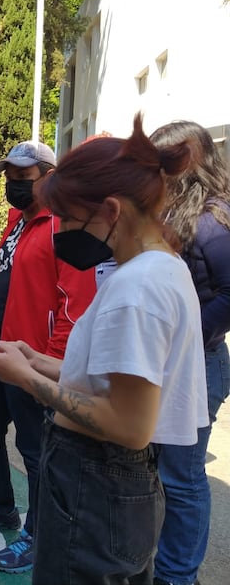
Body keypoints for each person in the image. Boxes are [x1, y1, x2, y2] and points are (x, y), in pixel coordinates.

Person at [0, 115, 207, 584]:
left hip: (96, 481)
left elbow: (128, 424)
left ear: (110, 210)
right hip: (109, 485)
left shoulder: (137, 288)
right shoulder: (156, 269)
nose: (60, 229)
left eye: (66, 217)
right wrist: (38, 359)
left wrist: (28, 380)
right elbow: (113, 379)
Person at [0, 140, 96, 573]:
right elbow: (3, 284)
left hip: (31, 359)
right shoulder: (17, 221)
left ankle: (39, 533)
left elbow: (75, 302)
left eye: (22, 177)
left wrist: (47, 364)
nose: (13, 185)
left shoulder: (63, 226)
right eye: (9, 177)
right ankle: (1, 505)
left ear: (49, 177)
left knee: (35, 451)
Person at [149, 120, 230, 585]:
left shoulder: (213, 218)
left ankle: (178, 575)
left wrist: (187, 336)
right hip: (174, 362)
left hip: (199, 365)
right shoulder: (178, 209)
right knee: (164, 474)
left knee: (181, 477)